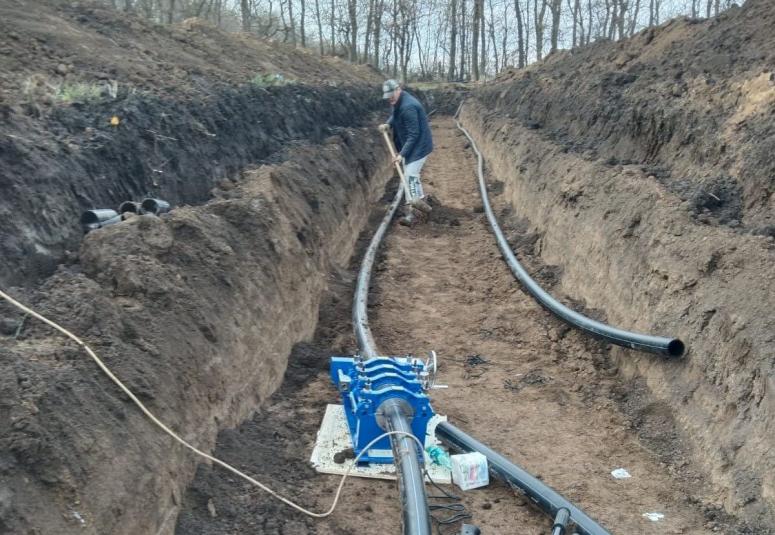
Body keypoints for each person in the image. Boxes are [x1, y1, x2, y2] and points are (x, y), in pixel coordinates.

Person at [379, 79, 433, 226]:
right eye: (388, 96)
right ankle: (420, 202)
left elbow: (413, 135)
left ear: (398, 90)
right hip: (412, 145)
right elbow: (395, 114)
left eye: (392, 95)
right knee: (411, 176)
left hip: (419, 146)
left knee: (410, 175)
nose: (390, 99)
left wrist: (401, 155)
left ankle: (414, 212)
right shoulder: (399, 101)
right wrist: (388, 124)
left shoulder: (408, 107)